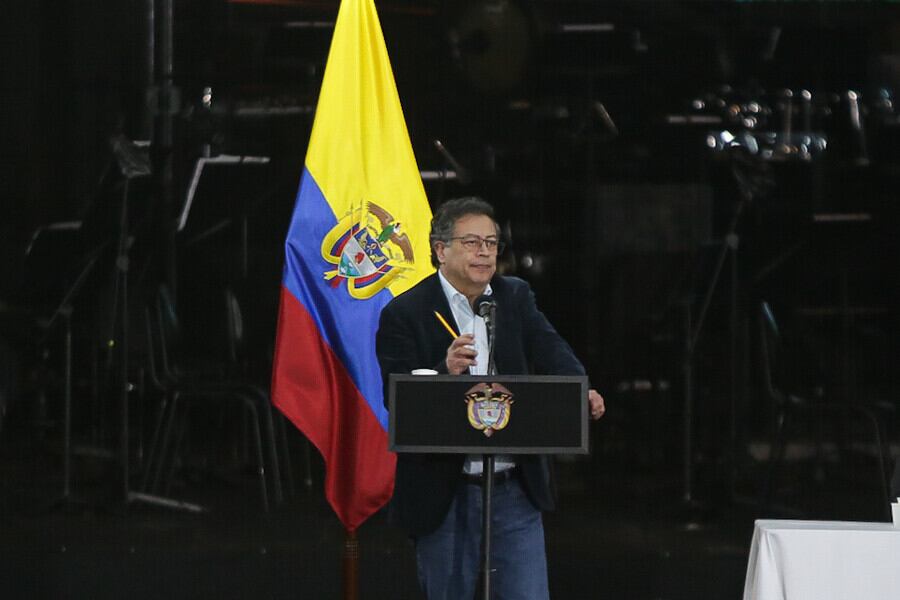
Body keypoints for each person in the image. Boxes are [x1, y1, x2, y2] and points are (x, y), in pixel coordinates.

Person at [376, 196, 605, 599]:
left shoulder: (514, 296)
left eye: (492, 243)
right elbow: (398, 397)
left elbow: (554, 352)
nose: (485, 252)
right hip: (445, 495)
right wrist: (444, 369)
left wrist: (580, 391)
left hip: (514, 490)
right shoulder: (405, 312)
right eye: (472, 242)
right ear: (440, 249)